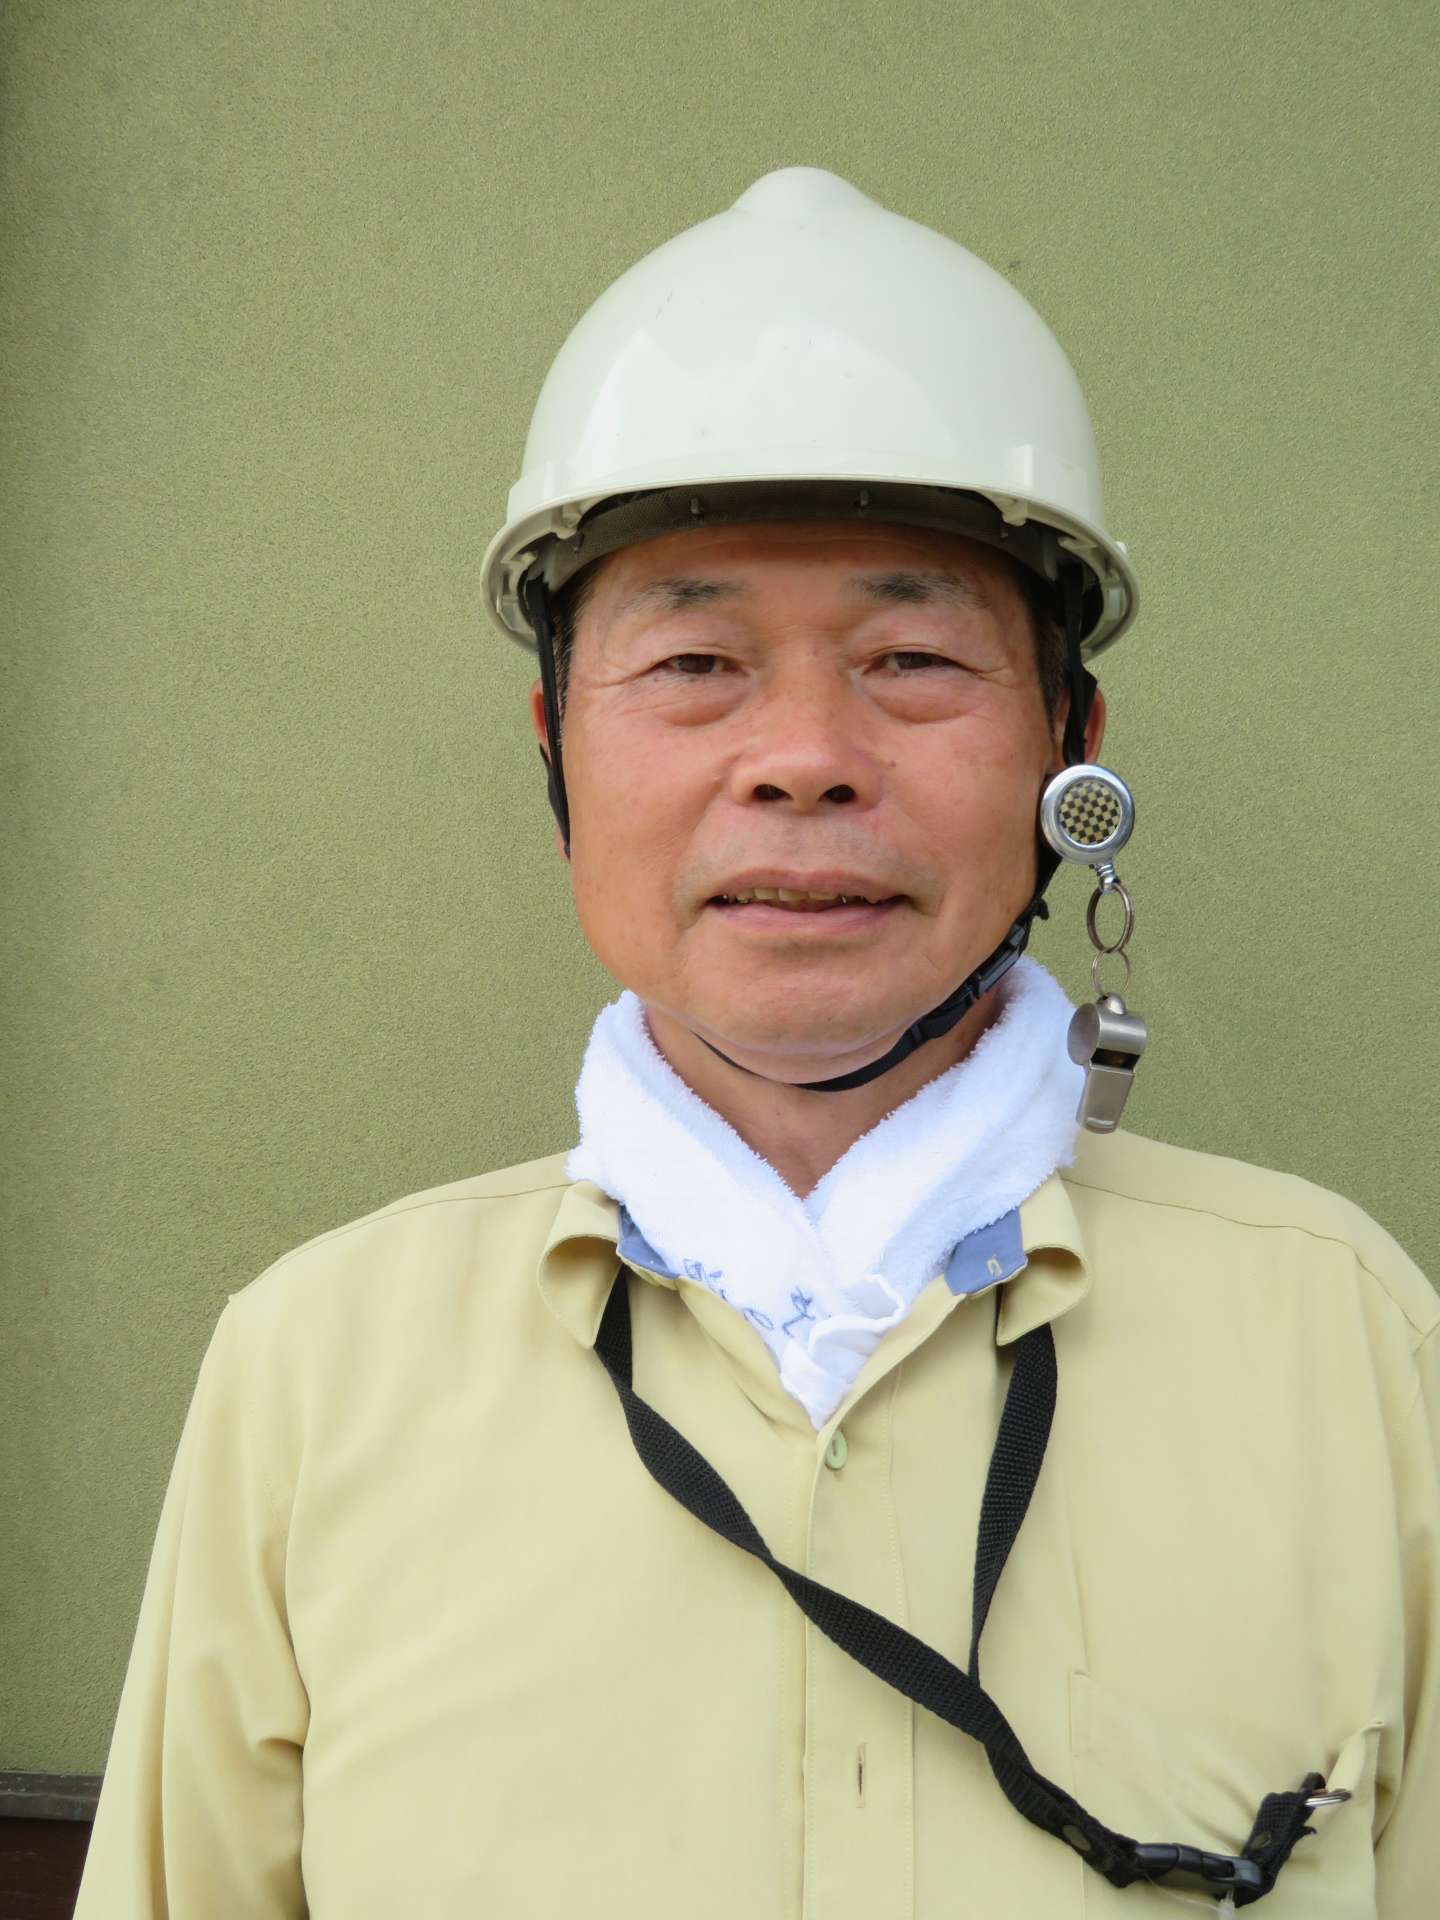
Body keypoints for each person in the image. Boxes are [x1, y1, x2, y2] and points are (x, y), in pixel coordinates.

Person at [75, 167, 1437, 1918]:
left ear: (1069, 750)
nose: (803, 754)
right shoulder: (313, 1371)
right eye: (696, 661)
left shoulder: (1354, 1342)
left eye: (914, 658)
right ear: (557, 745)